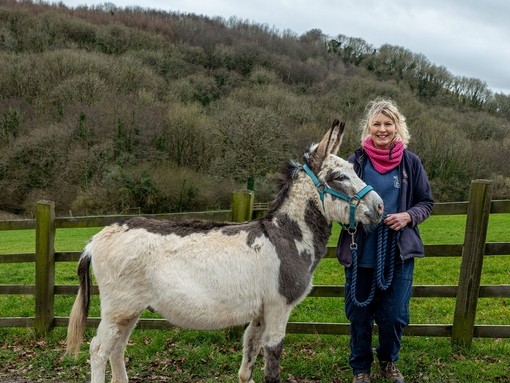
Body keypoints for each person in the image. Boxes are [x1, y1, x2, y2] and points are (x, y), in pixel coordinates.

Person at [336, 98, 434, 383]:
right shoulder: (355, 163)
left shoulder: (410, 163)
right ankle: (360, 369)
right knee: (359, 314)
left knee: (394, 315)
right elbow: (338, 204)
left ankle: (388, 361)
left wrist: (407, 216)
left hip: (398, 251)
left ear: (397, 126)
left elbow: (426, 201)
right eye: (377, 124)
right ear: (369, 127)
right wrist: (353, 217)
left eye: (388, 124)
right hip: (360, 250)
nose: (382, 129)